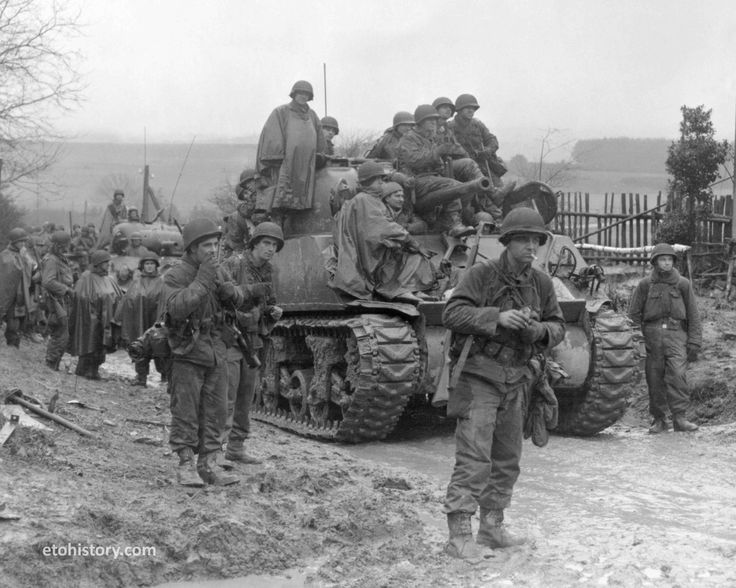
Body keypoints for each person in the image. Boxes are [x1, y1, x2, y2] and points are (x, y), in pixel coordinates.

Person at [441, 207, 565, 559]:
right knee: (474, 457)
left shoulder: (540, 282)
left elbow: (556, 325)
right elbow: (452, 313)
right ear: (507, 242)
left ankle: (492, 528)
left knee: (507, 459)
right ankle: (459, 536)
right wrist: (498, 317)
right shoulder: (482, 275)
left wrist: (536, 330)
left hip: (517, 378)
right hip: (479, 375)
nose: (532, 246)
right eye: (524, 239)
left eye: (536, 240)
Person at [163, 218, 248, 487]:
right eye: (206, 245)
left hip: (216, 348)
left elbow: (239, 299)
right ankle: (186, 464)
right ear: (191, 249)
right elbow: (176, 308)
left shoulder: (219, 270)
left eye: (215, 244)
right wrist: (203, 280)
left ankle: (210, 463)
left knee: (216, 410)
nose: (213, 250)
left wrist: (231, 293)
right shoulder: (176, 274)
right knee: (186, 409)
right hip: (187, 349)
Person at [330, 161, 438, 303]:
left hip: (374, 251)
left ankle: (412, 290)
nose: (382, 183)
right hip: (370, 258)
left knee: (414, 257)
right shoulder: (364, 199)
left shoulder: (369, 199)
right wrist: (410, 241)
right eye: (378, 179)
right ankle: (400, 291)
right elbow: (382, 227)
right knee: (412, 256)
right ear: (368, 182)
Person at [222, 222, 284, 464]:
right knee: (226, 397)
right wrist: (252, 292)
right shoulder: (234, 264)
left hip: (254, 340)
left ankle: (236, 448)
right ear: (255, 243)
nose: (270, 249)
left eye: (274, 245)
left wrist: (271, 311)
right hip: (232, 337)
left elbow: (267, 302)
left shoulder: (268, 271)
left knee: (245, 398)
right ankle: (216, 450)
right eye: (266, 243)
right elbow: (222, 297)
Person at [628, 243, 702, 433]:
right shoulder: (645, 285)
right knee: (654, 378)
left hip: (676, 334)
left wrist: (694, 341)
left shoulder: (683, 283)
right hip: (651, 336)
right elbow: (633, 316)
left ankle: (680, 418)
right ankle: (659, 419)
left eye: (669, 259)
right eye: (663, 259)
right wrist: (636, 341)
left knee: (678, 375)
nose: (667, 263)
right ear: (655, 262)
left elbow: (693, 314)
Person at [397, 104, 490, 237]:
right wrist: (438, 151)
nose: (434, 124)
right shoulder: (408, 139)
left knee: (466, 183)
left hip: (433, 177)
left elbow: (444, 157)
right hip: (416, 180)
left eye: (435, 121)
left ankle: (452, 217)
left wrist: (450, 151)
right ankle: (452, 223)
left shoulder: (431, 138)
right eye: (430, 121)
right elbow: (416, 161)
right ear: (420, 122)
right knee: (452, 185)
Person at [256, 80, 327, 211]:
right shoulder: (281, 112)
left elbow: (320, 139)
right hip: (286, 164)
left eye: (306, 94)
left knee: (303, 199)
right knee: (281, 199)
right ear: (294, 93)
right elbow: (272, 136)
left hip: (307, 164)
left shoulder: (312, 116)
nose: (303, 96)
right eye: (300, 92)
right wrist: (278, 157)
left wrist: (319, 155)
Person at [115, 252, 167, 387]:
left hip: (156, 321)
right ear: (142, 266)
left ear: (156, 266)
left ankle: (165, 377)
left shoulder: (162, 282)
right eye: (147, 264)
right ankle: (141, 377)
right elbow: (128, 301)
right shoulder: (137, 282)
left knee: (161, 348)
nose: (149, 267)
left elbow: (165, 302)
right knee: (140, 347)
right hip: (139, 321)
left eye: (152, 264)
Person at [69, 250, 123, 380]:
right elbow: (81, 297)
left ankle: (94, 370)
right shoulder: (86, 278)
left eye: (108, 262)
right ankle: (84, 369)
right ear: (98, 263)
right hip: (91, 318)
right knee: (90, 344)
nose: (108, 265)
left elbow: (117, 296)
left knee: (101, 345)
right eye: (105, 262)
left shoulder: (109, 279)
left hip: (105, 319)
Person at [449, 94, 506, 188]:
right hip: (464, 167)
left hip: (482, 164)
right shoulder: (450, 127)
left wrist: (488, 150)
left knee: (499, 187)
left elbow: (492, 140)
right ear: (459, 110)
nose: (471, 110)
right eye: (467, 108)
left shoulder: (477, 125)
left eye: (473, 108)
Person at [41, 230, 74, 370]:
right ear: (59, 246)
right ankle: (50, 364)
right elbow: (48, 282)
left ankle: (53, 363)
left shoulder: (58, 258)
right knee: (60, 333)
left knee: (62, 333)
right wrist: (65, 289)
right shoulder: (52, 260)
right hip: (55, 301)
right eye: (65, 245)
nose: (67, 248)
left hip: (61, 300)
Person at [0, 229, 34, 348]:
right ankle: (11, 343)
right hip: (10, 294)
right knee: (12, 320)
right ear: (14, 242)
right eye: (21, 242)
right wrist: (24, 259)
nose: (23, 244)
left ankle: (15, 343)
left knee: (18, 319)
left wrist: (26, 259)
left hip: (20, 293)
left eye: (24, 242)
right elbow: (15, 271)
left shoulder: (21, 254)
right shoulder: (6, 255)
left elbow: (29, 268)